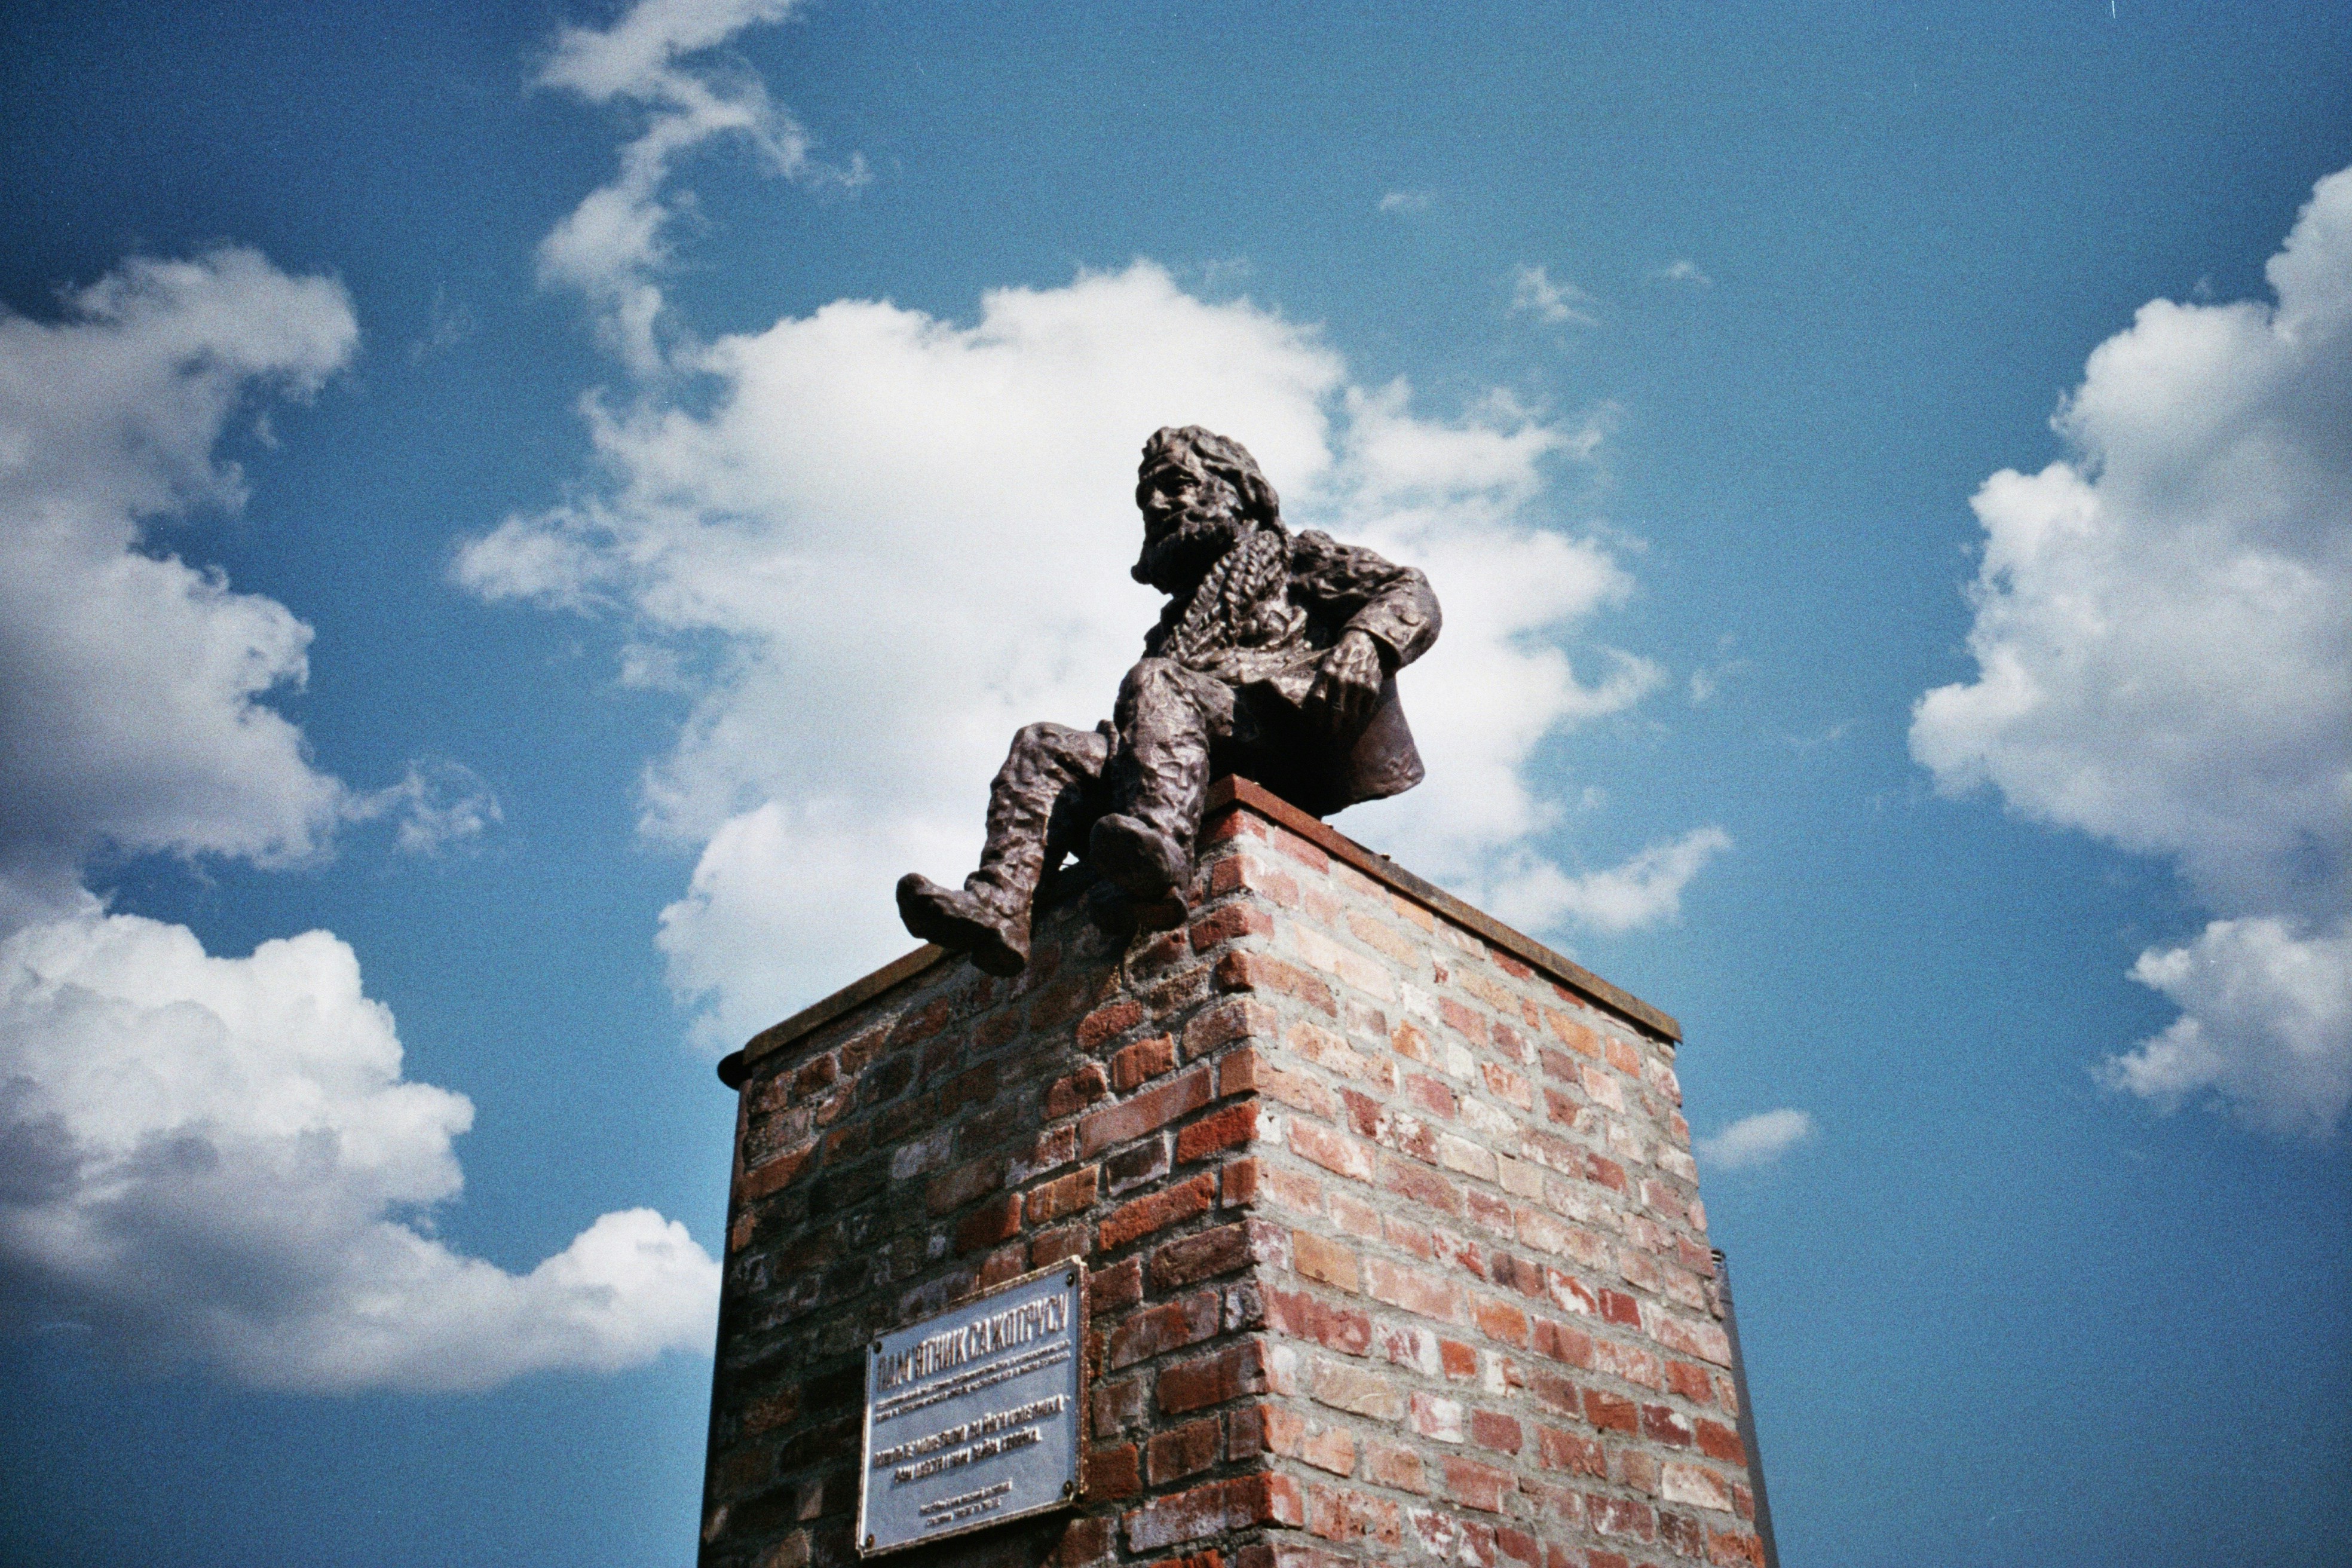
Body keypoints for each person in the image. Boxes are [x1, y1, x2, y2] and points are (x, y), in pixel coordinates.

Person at [896, 425, 1441, 974]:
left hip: (1290, 734)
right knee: (1043, 745)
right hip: (1188, 746)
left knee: (1156, 679)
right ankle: (1001, 906)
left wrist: (1367, 643)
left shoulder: (1298, 558)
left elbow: (1409, 589)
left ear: (1239, 493)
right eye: (1147, 499)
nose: (1157, 505)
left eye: (1176, 485)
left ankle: (1159, 858)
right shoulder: (1179, 620)